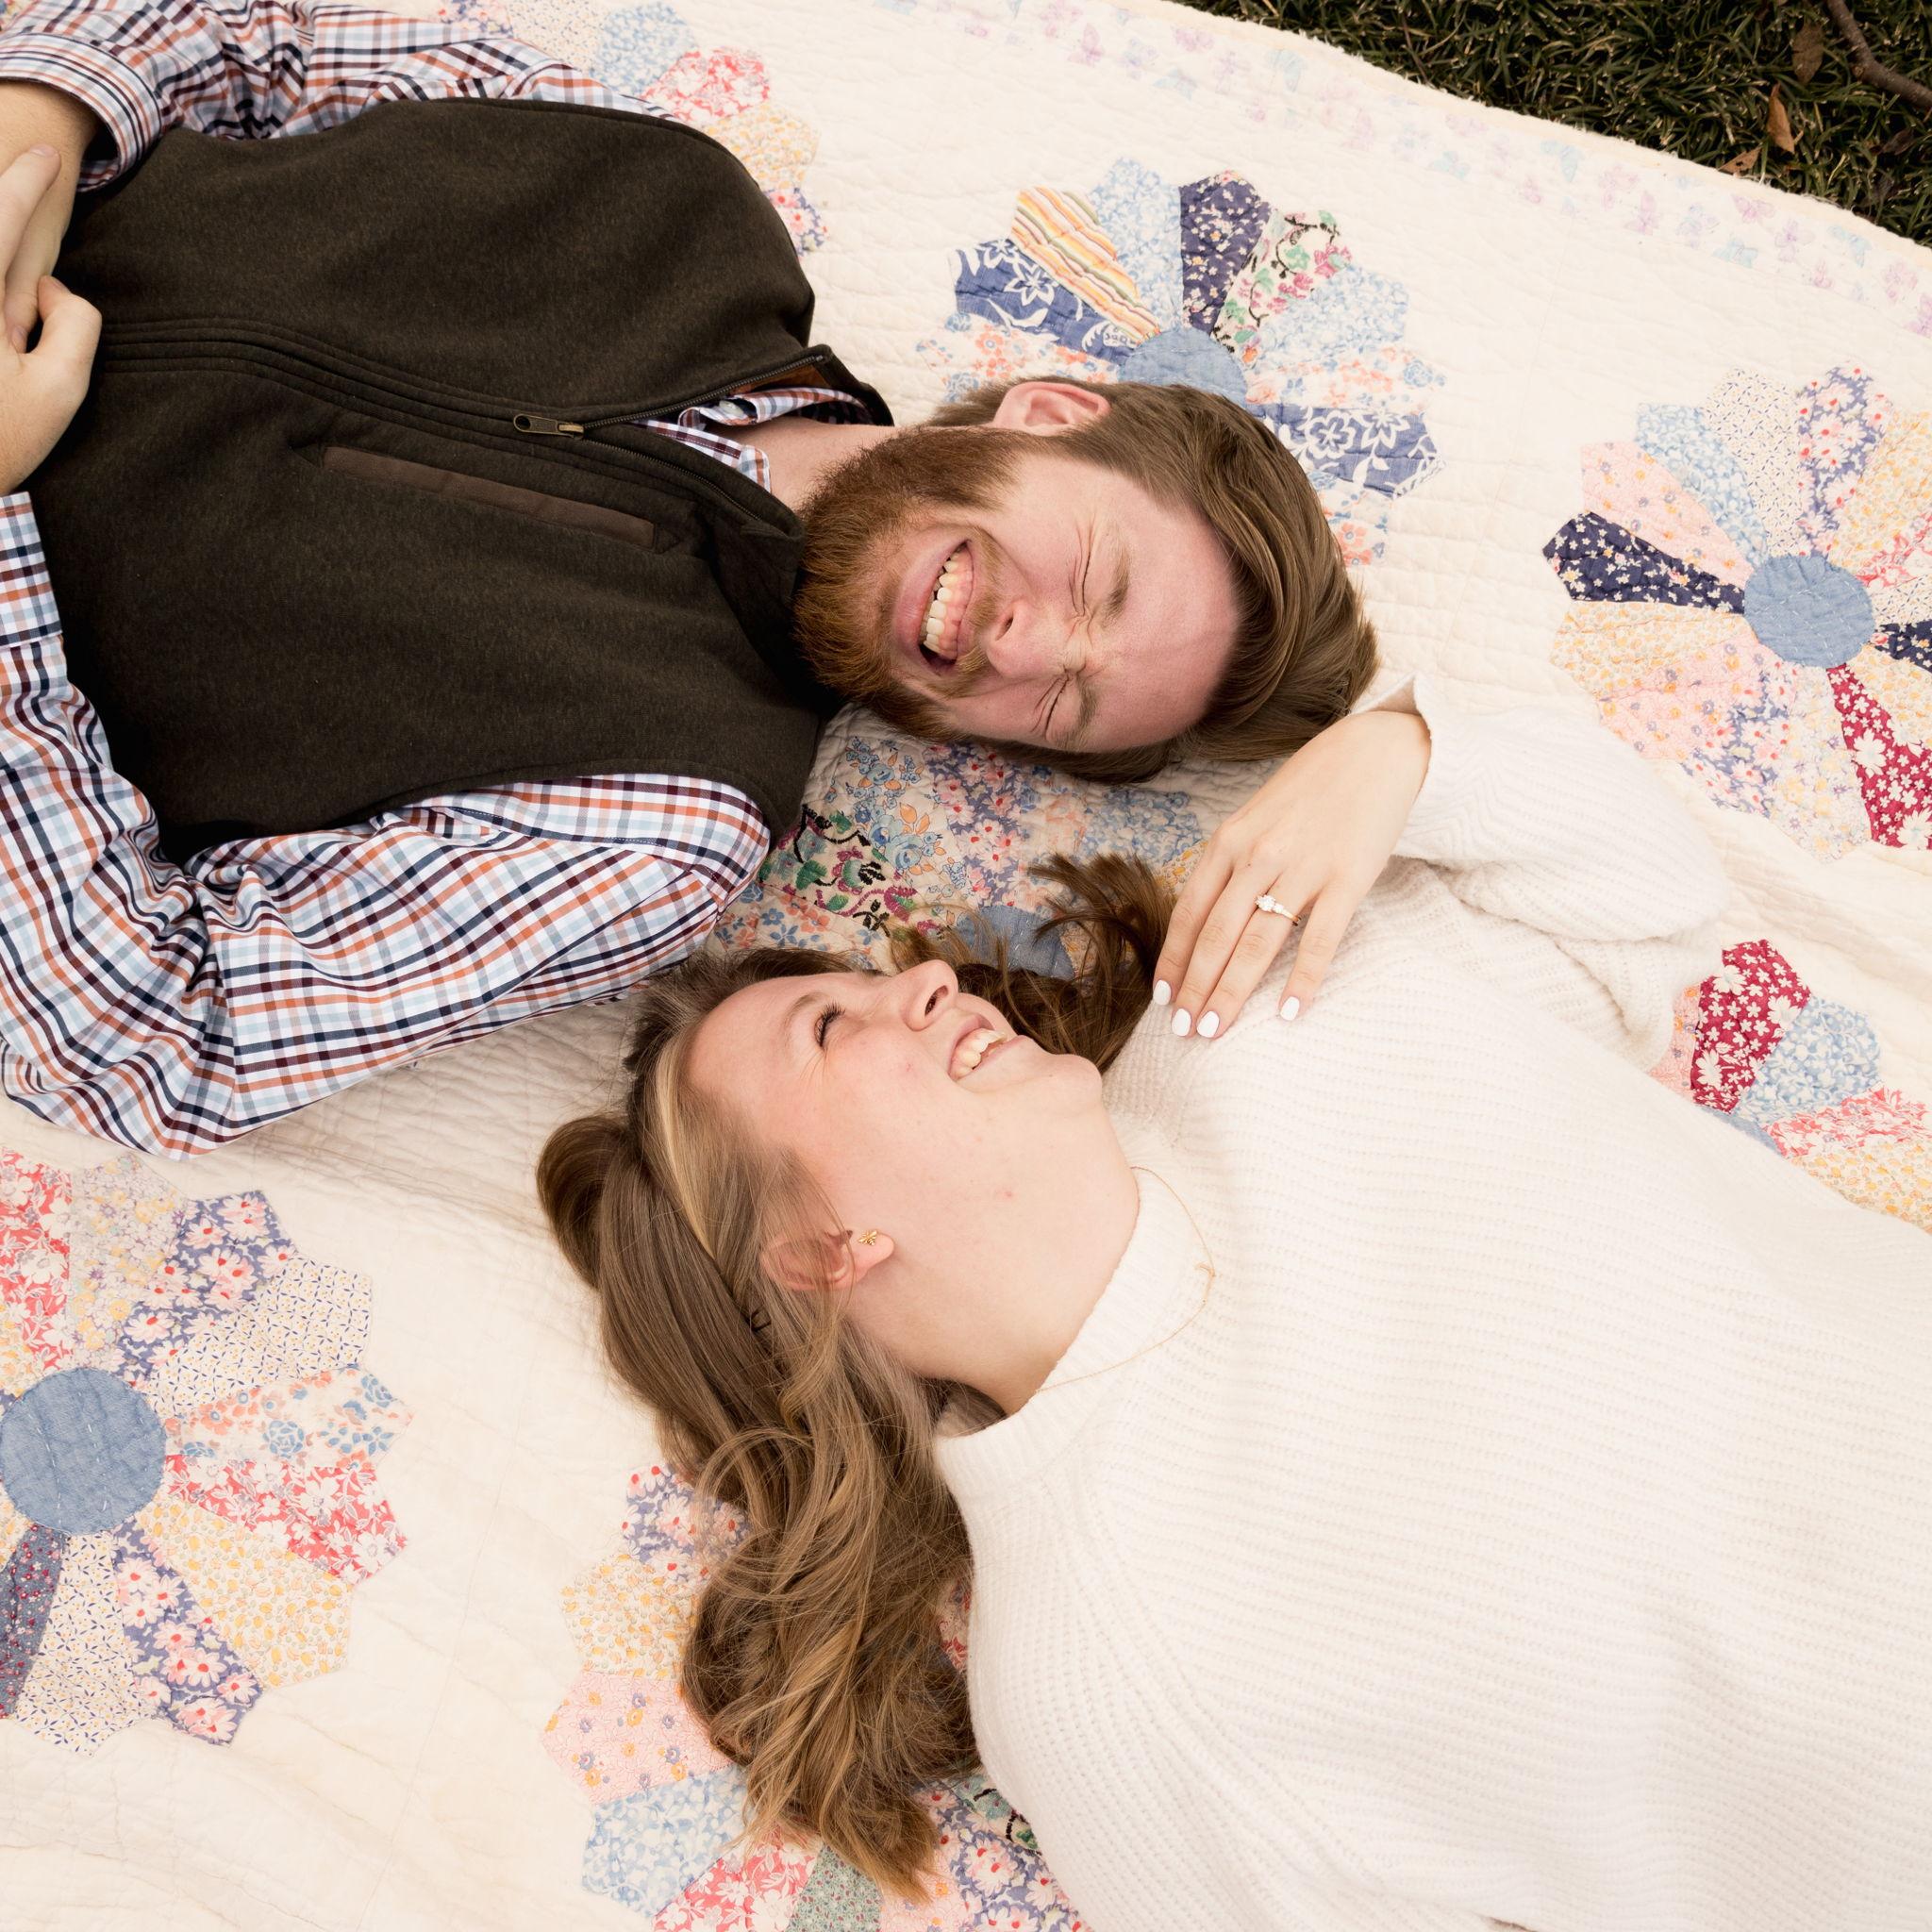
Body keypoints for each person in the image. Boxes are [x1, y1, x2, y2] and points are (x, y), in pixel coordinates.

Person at [540, 667, 1932, 1932]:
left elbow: (1648, 892)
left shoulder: (1252, 1011)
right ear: (817, 1249)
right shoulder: (1104, 1684)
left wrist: (1400, 757)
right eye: (832, 1028)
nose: (922, 986)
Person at [0, 0, 1374, 1156]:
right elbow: (256, 29)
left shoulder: (667, 822)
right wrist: (45, 114)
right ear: (1052, 414)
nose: (1026, 647)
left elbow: (152, 1037)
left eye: (1066, 705)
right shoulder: (677, 198)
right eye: (1098, 582)